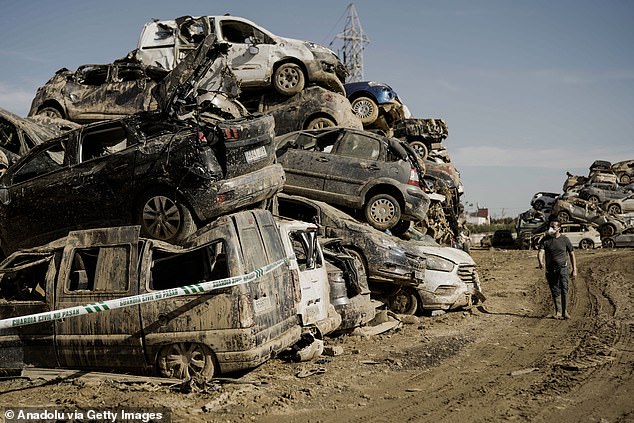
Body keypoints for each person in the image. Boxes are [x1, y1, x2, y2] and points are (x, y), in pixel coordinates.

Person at [537, 220, 577, 319]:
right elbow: (541, 252)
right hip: (551, 270)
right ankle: (558, 312)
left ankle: (565, 312)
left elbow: (572, 254)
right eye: (550, 226)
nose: (551, 229)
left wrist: (574, 269)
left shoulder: (565, 240)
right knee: (555, 290)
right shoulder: (545, 240)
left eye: (553, 227)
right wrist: (540, 262)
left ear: (559, 228)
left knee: (564, 288)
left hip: (563, 268)